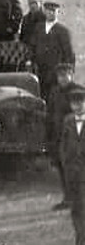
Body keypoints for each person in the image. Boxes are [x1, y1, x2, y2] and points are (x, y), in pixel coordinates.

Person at [48, 64, 81, 211]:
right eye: (60, 75)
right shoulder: (54, 92)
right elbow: (50, 115)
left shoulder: (79, 91)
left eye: (66, 75)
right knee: (63, 170)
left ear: (71, 75)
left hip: (77, 138)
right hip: (59, 137)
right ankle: (67, 199)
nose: (63, 78)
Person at [30, 0, 75, 104]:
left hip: (55, 70)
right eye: (48, 11)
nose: (50, 13)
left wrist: (67, 71)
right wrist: (32, 62)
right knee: (41, 94)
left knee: (55, 96)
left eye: (53, 11)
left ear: (57, 12)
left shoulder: (63, 30)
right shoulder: (38, 28)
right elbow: (33, 46)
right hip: (40, 69)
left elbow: (69, 53)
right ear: (44, 11)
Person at [59, 86, 85, 245]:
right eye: (75, 103)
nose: (78, 106)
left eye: (81, 102)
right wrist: (67, 166)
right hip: (73, 176)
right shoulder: (68, 121)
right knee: (76, 212)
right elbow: (63, 146)